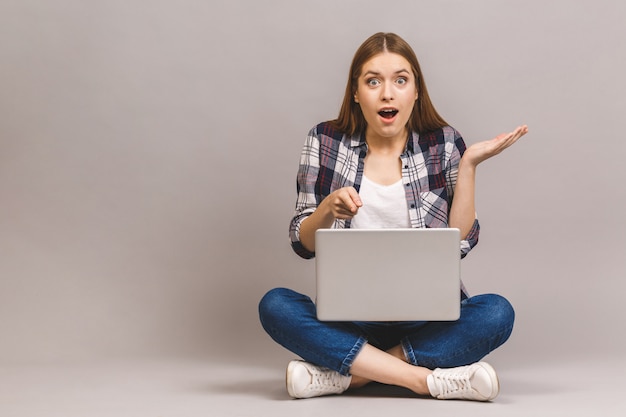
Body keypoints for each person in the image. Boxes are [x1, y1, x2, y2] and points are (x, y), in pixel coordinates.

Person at [258, 32, 528, 402]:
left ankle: (350, 375)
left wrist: (468, 166)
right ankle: (424, 380)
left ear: (416, 91)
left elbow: (459, 242)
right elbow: (301, 243)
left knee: (497, 313)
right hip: (348, 319)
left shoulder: (444, 143)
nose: (388, 93)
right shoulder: (324, 140)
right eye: (373, 81)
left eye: (400, 80)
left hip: (427, 321)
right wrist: (325, 209)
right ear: (356, 92)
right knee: (275, 305)